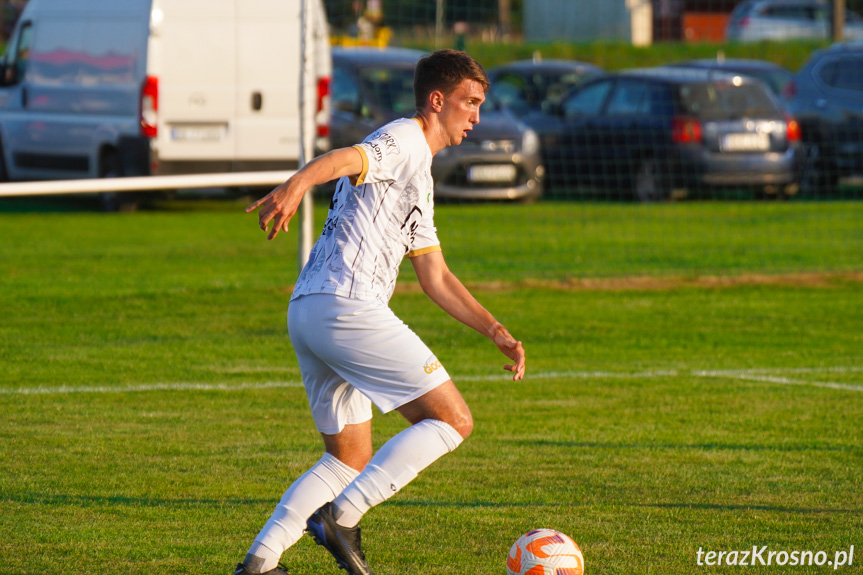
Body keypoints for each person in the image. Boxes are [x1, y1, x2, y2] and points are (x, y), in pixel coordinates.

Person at [235, 49, 526, 575]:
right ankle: (340, 518)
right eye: (470, 102)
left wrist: (495, 329)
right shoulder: (406, 137)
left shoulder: (421, 172)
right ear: (437, 101)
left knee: (347, 457)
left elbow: (434, 274)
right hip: (347, 306)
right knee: (452, 419)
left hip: (310, 309)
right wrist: (298, 183)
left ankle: (260, 561)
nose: (477, 116)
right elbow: (350, 157)